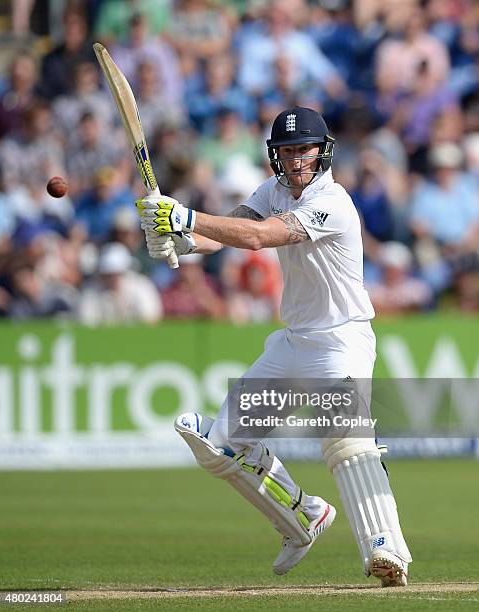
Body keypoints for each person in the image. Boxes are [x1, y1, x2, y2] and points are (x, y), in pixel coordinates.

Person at [136, 107, 412, 586]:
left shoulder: (335, 203)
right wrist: (178, 239)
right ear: (274, 155)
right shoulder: (275, 190)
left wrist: (186, 214)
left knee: (345, 438)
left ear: (322, 151)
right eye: (286, 150)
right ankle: (302, 515)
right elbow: (223, 235)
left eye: (302, 149)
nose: (294, 158)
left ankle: (385, 548)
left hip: (341, 339)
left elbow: (261, 236)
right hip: (294, 341)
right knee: (222, 443)